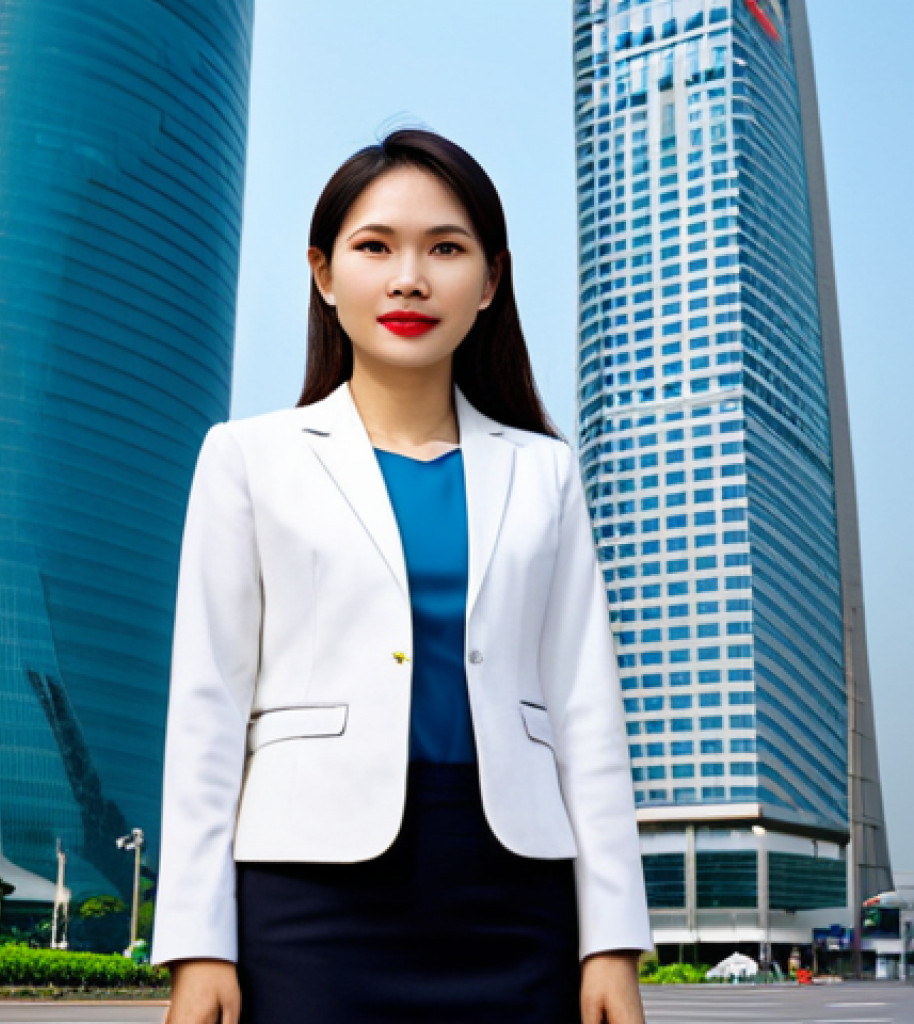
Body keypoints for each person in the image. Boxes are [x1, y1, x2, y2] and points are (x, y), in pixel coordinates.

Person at [151, 128, 653, 1024]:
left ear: (491, 281)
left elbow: (587, 711)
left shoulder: (546, 472)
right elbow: (207, 708)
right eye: (375, 247)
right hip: (306, 893)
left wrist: (611, 939)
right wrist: (197, 944)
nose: (410, 278)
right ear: (323, 272)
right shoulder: (247, 458)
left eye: (446, 250)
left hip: (516, 890)